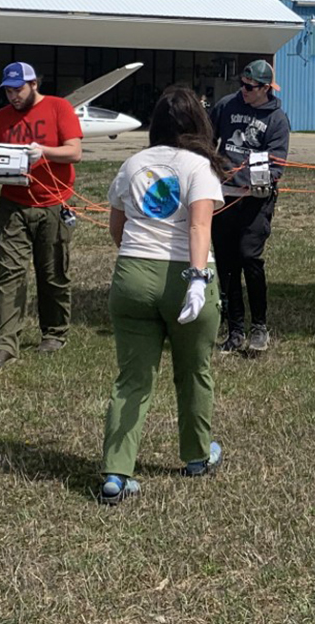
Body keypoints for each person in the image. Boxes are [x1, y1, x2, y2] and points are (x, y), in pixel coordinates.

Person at [97, 86, 227, 504]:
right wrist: (196, 279)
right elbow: (198, 227)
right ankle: (196, 456)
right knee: (193, 370)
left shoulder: (133, 164)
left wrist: (139, 263)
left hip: (133, 272)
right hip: (185, 274)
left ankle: (116, 471)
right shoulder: (199, 167)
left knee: (132, 380)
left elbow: (116, 229)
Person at [0, 62, 83, 370]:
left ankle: (54, 332)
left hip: (53, 203)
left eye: (18, 89)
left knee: (52, 273)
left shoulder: (58, 108)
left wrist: (45, 152)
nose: (13, 96)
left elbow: (75, 152)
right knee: (10, 273)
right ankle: (5, 343)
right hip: (12, 204)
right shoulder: (1, 118)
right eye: (8, 91)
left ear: (34, 84)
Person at [209, 59, 291, 355]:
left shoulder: (277, 119)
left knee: (249, 257)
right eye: (241, 85)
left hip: (256, 200)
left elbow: (276, 165)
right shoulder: (226, 105)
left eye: (250, 87)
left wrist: (241, 177)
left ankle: (259, 327)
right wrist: (212, 167)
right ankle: (234, 331)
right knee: (226, 264)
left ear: (266, 88)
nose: (243, 91)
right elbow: (208, 139)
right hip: (223, 198)